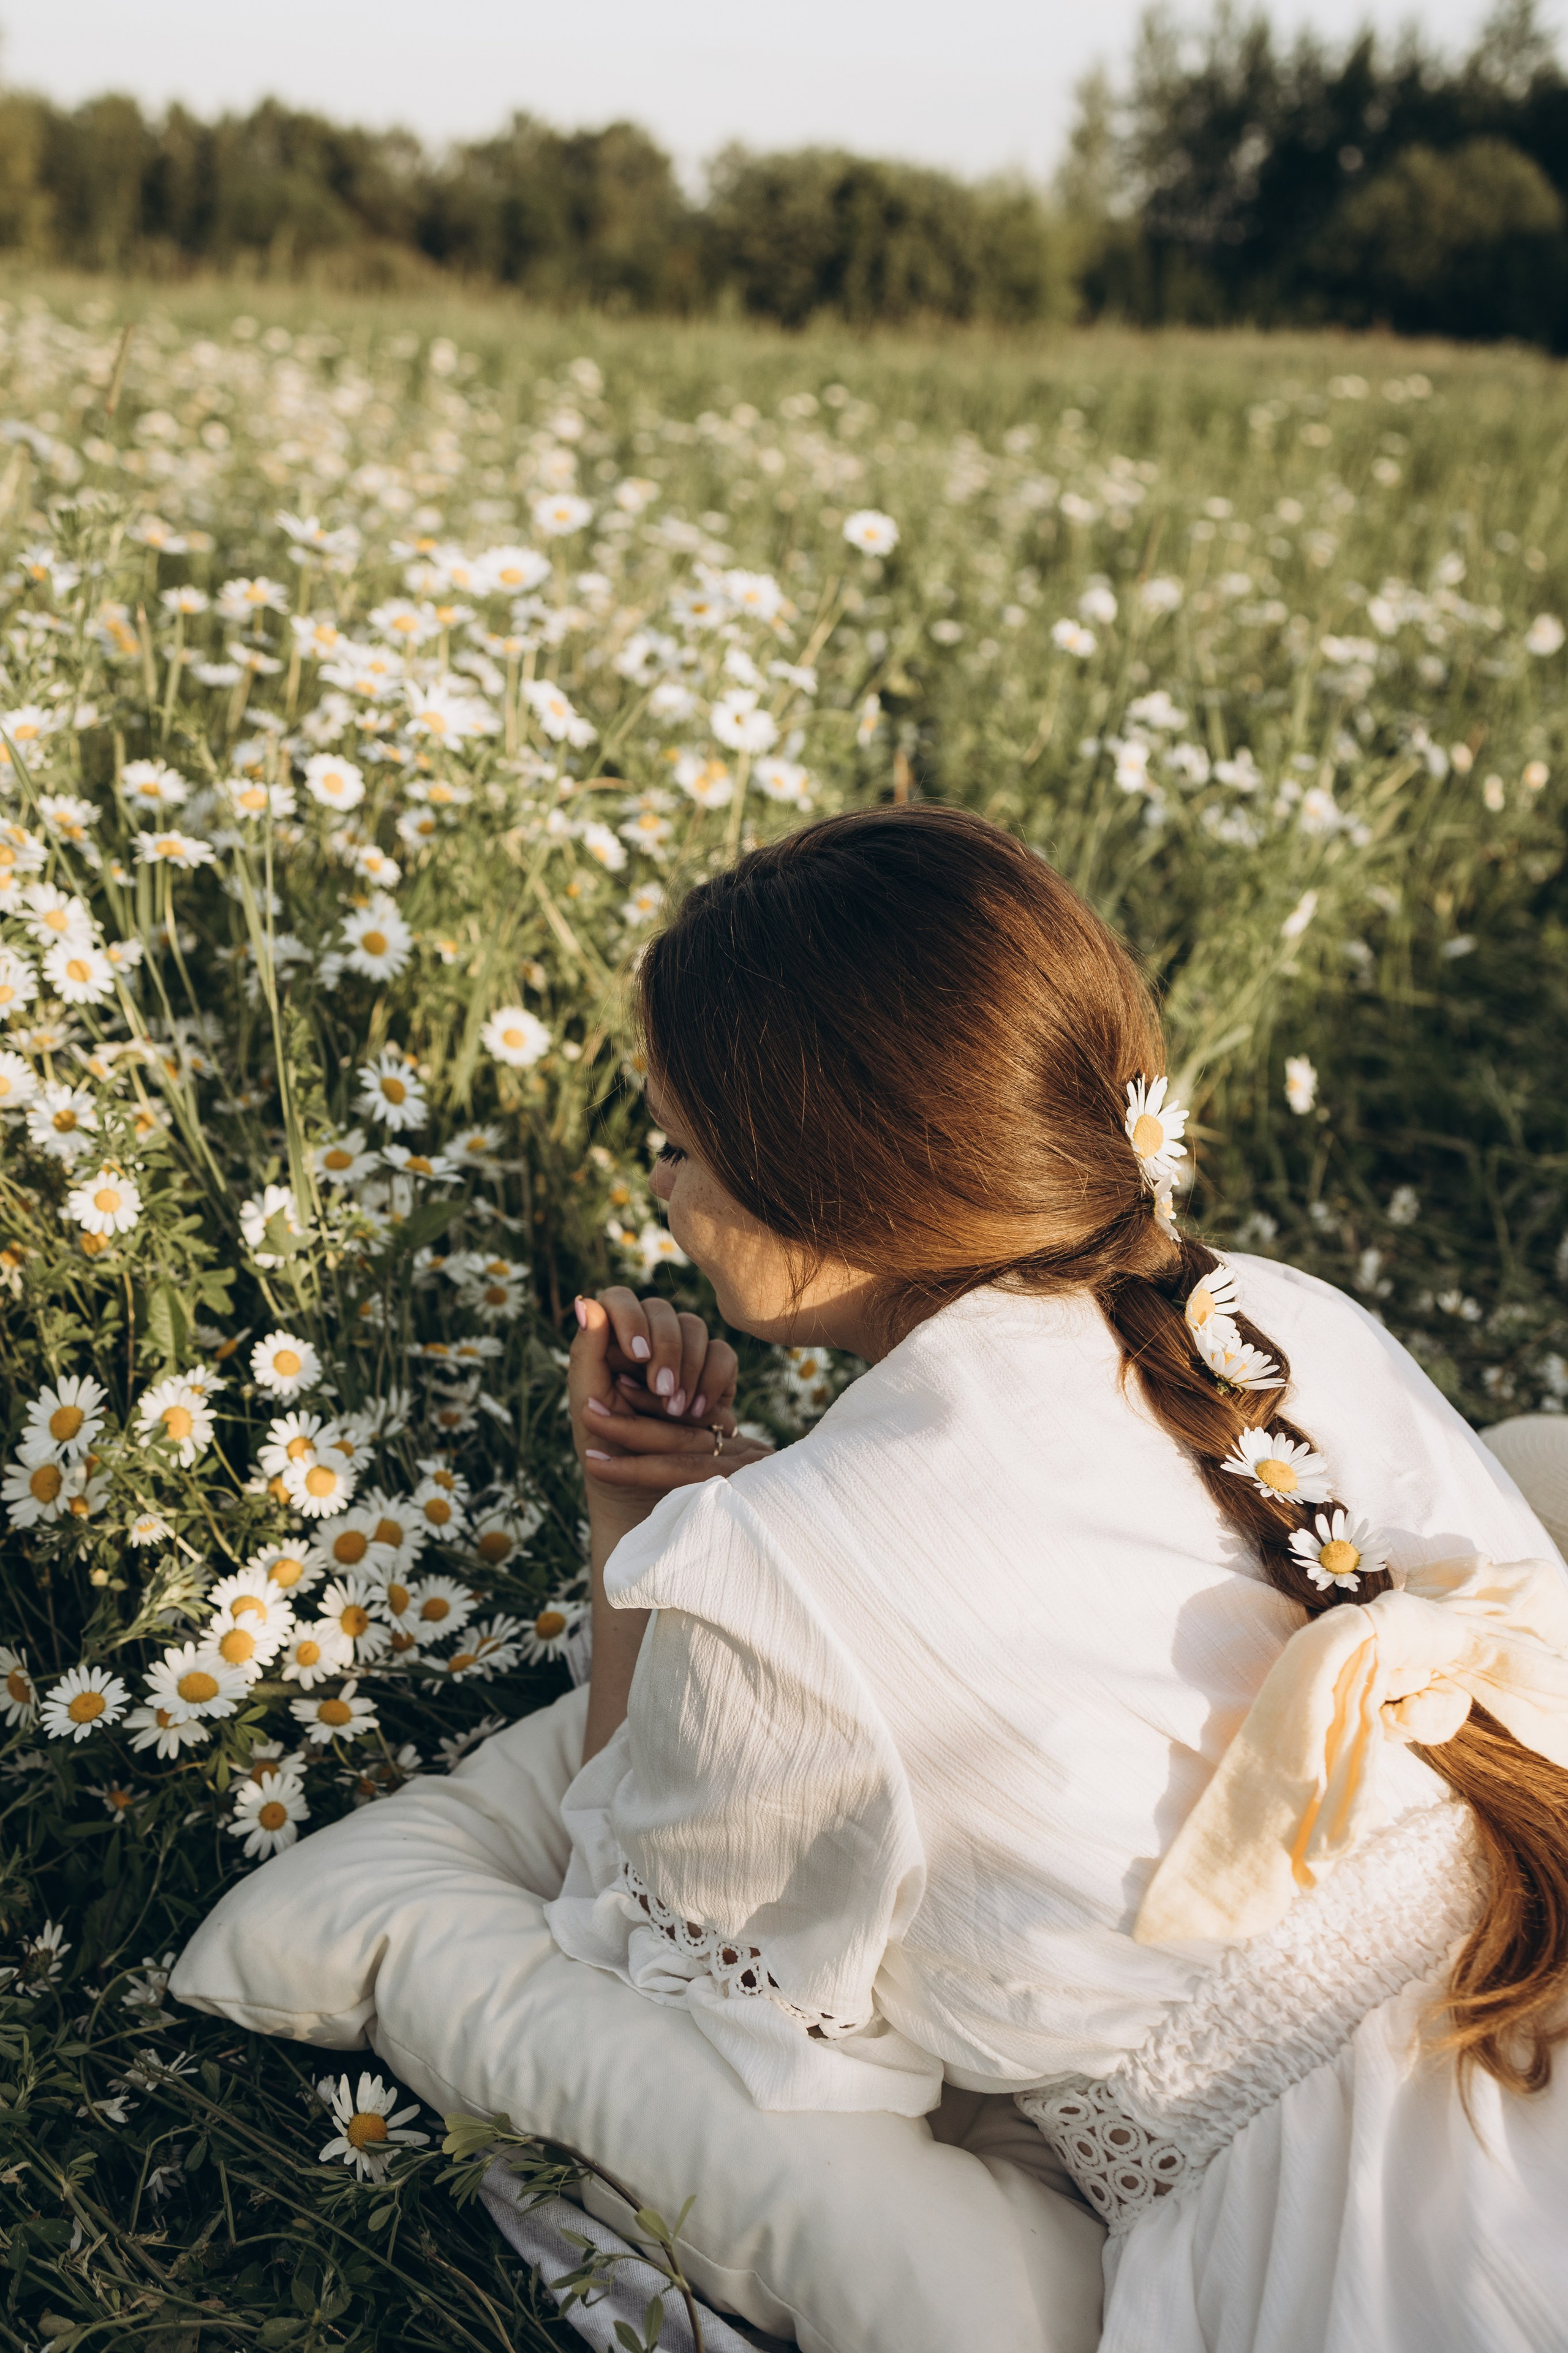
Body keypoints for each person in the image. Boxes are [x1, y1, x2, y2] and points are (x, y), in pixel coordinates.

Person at [546, 805, 1568, 2353]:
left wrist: (638, 1526)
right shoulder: (1259, 1314)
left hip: (1366, 2231)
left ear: (826, 1187)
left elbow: (648, 1916)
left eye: (679, 1148)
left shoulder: (781, 1574)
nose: (668, 1194)